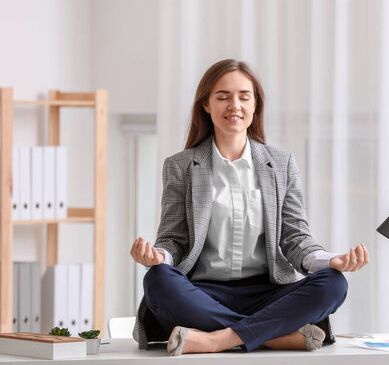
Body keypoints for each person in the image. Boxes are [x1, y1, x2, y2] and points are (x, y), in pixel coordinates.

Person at [130, 59, 369, 355]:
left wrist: (331, 261)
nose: (235, 105)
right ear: (206, 104)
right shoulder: (180, 166)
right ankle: (273, 336)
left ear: (255, 105)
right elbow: (174, 241)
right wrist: (158, 255)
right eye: (223, 97)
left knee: (334, 284)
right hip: (203, 293)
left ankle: (218, 339)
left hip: (267, 293)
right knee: (158, 280)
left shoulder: (281, 164)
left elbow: (296, 239)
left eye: (244, 97)